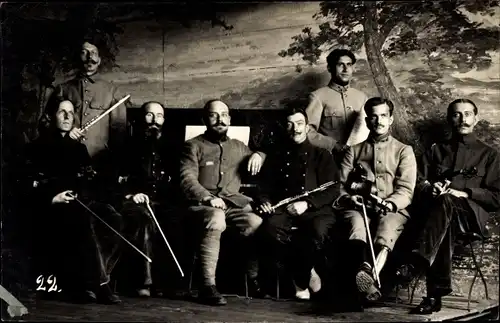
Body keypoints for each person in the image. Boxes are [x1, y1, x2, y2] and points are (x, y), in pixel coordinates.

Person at [395, 99, 500, 314]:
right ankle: (435, 293)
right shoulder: (436, 151)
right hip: (441, 217)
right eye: (456, 114)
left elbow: (497, 198)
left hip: (469, 216)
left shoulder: (489, 155)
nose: (462, 119)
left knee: (446, 206)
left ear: (476, 119)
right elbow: (416, 182)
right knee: (444, 217)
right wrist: (429, 188)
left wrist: (466, 192)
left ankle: (416, 263)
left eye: (467, 114)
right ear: (449, 119)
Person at [24, 97, 124, 304]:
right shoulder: (38, 146)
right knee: (81, 218)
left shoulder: (78, 148)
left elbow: (88, 178)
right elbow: (36, 179)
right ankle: (97, 285)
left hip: (80, 201)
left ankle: (94, 281)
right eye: (62, 111)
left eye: (71, 112)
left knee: (113, 217)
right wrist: (53, 197)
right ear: (50, 117)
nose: (68, 116)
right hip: (54, 204)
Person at [179, 99, 265, 306]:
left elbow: (263, 154)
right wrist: (208, 197)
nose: (220, 119)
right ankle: (207, 285)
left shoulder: (238, 146)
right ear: (204, 119)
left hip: (233, 205)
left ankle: (251, 279)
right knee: (216, 218)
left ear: (230, 119)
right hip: (202, 206)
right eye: (213, 115)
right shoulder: (193, 146)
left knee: (256, 222)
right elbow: (187, 178)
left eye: (224, 114)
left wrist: (259, 155)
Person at [334, 97, 417, 305]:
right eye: (373, 116)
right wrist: (350, 198)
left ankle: (367, 277)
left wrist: (390, 203)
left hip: (391, 209)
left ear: (391, 119)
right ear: (368, 120)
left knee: (387, 228)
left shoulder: (404, 151)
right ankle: (365, 279)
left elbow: (406, 189)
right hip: (358, 207)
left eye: (383, 116)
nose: (378, 121)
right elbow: (340, 185)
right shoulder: (353, 151)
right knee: (356, 225)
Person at [256, 107, 340, 300]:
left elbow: (333, 188)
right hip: (284, 209)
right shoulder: (276, 156)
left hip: (316, 209)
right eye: (290, 124)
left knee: (317, 232)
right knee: (270, 230)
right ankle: (307, 273)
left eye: (300, 124)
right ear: (284, 127)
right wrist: (266, 201)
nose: (295, 129)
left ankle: (300, 280)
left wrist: (307, 204)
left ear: (308, 127)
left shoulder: (322, 155)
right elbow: (264, 187)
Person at [118, 101, 184, 297]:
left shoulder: (174, 148)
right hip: (135, 202)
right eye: (149, 115)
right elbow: (114, 178)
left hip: (164, 202)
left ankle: (170, 284)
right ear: (141, 118)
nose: (155, 120)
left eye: (160, 116)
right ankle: (144, 281)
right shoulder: (126, 146)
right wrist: (131, 194)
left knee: (177, 220)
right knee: (145, 219)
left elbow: (180, 179)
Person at [41, 35, 130, 170]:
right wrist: (65, 132)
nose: (90, 57)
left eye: (94, 53)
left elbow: (119, 133)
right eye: (84, 52)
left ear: (99, 60)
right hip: (67, 159)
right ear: (78, 58)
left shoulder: (112, 91)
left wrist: (112, 163)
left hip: (100, 162)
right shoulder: (63, 89)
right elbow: (45, 123)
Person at [305, 48, 369, 165]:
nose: (345, 69)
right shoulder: (318, 96)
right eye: (340, 65)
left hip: (359, 161)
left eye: (349, 64)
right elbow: (308, 132)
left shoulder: (362, 97)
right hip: (329, 161)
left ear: (353, 68)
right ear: (330, 68)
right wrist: (333, 145)